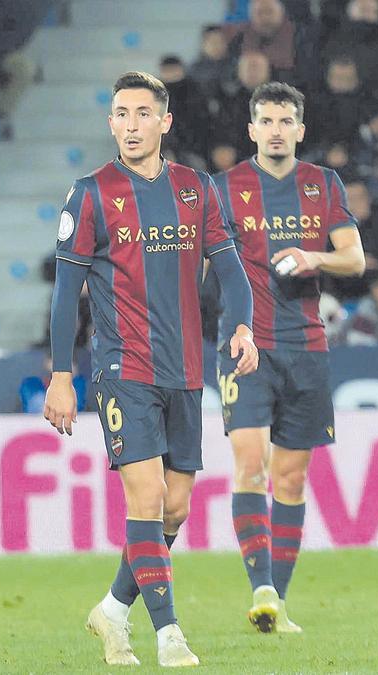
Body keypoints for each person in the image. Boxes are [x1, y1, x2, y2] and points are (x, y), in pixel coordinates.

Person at [43, 71, 258, 668]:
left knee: (175, 507)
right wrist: (63, 375)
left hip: (187, 369)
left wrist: (242, 325)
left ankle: (112, 610)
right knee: (146, 493)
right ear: (109, 122)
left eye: (143, 114)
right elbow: (66, 295)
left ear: (165, 122)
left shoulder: (198, 188)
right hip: (122, 367)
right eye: (121, 113)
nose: (131, 125)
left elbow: (232, 270)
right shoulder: (89, 193)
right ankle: (169, 635)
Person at [212, 81, 366, 635]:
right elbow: (204, 265)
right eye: (266, 121)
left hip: (307, 347)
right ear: (251, 130)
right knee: (250, 463)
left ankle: (276, 602)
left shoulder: (324, 186)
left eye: (286, 121)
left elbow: (354, 259)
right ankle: (261, 586)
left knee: (293, 479)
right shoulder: (224, 189)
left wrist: (312, 256)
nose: (276, 130)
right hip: (245, 346)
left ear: (300, 130)